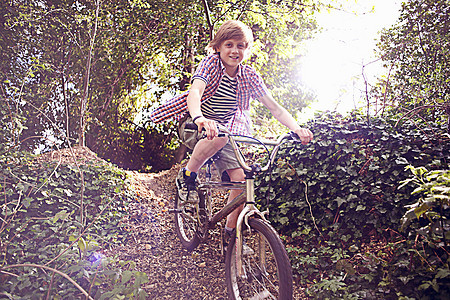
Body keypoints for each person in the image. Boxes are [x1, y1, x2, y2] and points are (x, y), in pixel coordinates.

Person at [150, 20, 313, 247]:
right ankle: (187, 176)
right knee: (220, 136)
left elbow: (274, 107)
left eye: (241, 45)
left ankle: (229, 233)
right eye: (229, 44)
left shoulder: (249, 76)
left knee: (240, 182)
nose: (235, 50)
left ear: (247, 49)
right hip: (194, 124)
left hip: (222, 133)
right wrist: (200, 118)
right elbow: (195, 92)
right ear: (218, 47)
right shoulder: (211, 65)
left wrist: (296, 129)